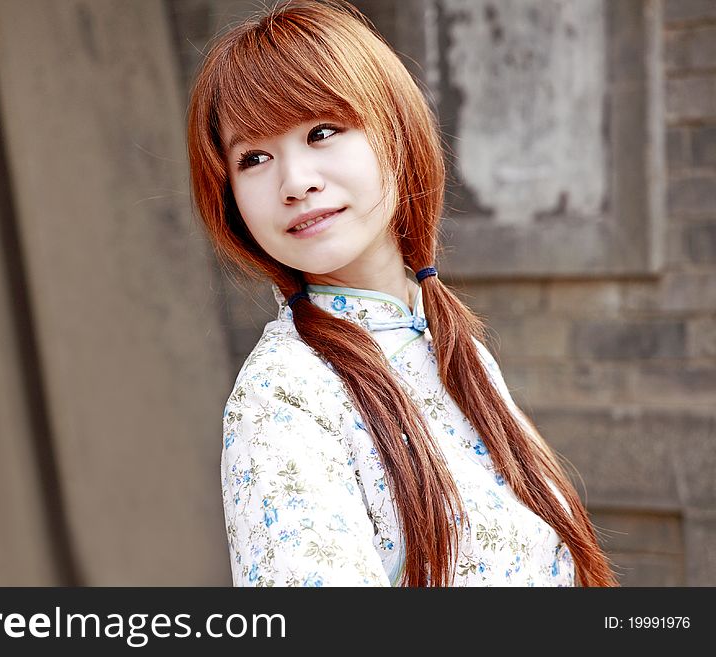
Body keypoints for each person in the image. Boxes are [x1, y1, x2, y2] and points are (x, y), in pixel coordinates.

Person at [186, 0, 618, 587]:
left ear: (394, 132)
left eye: (322, 131)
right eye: (254, 157)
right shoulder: (285, 396)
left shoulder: (453, 346)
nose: (296, 181)